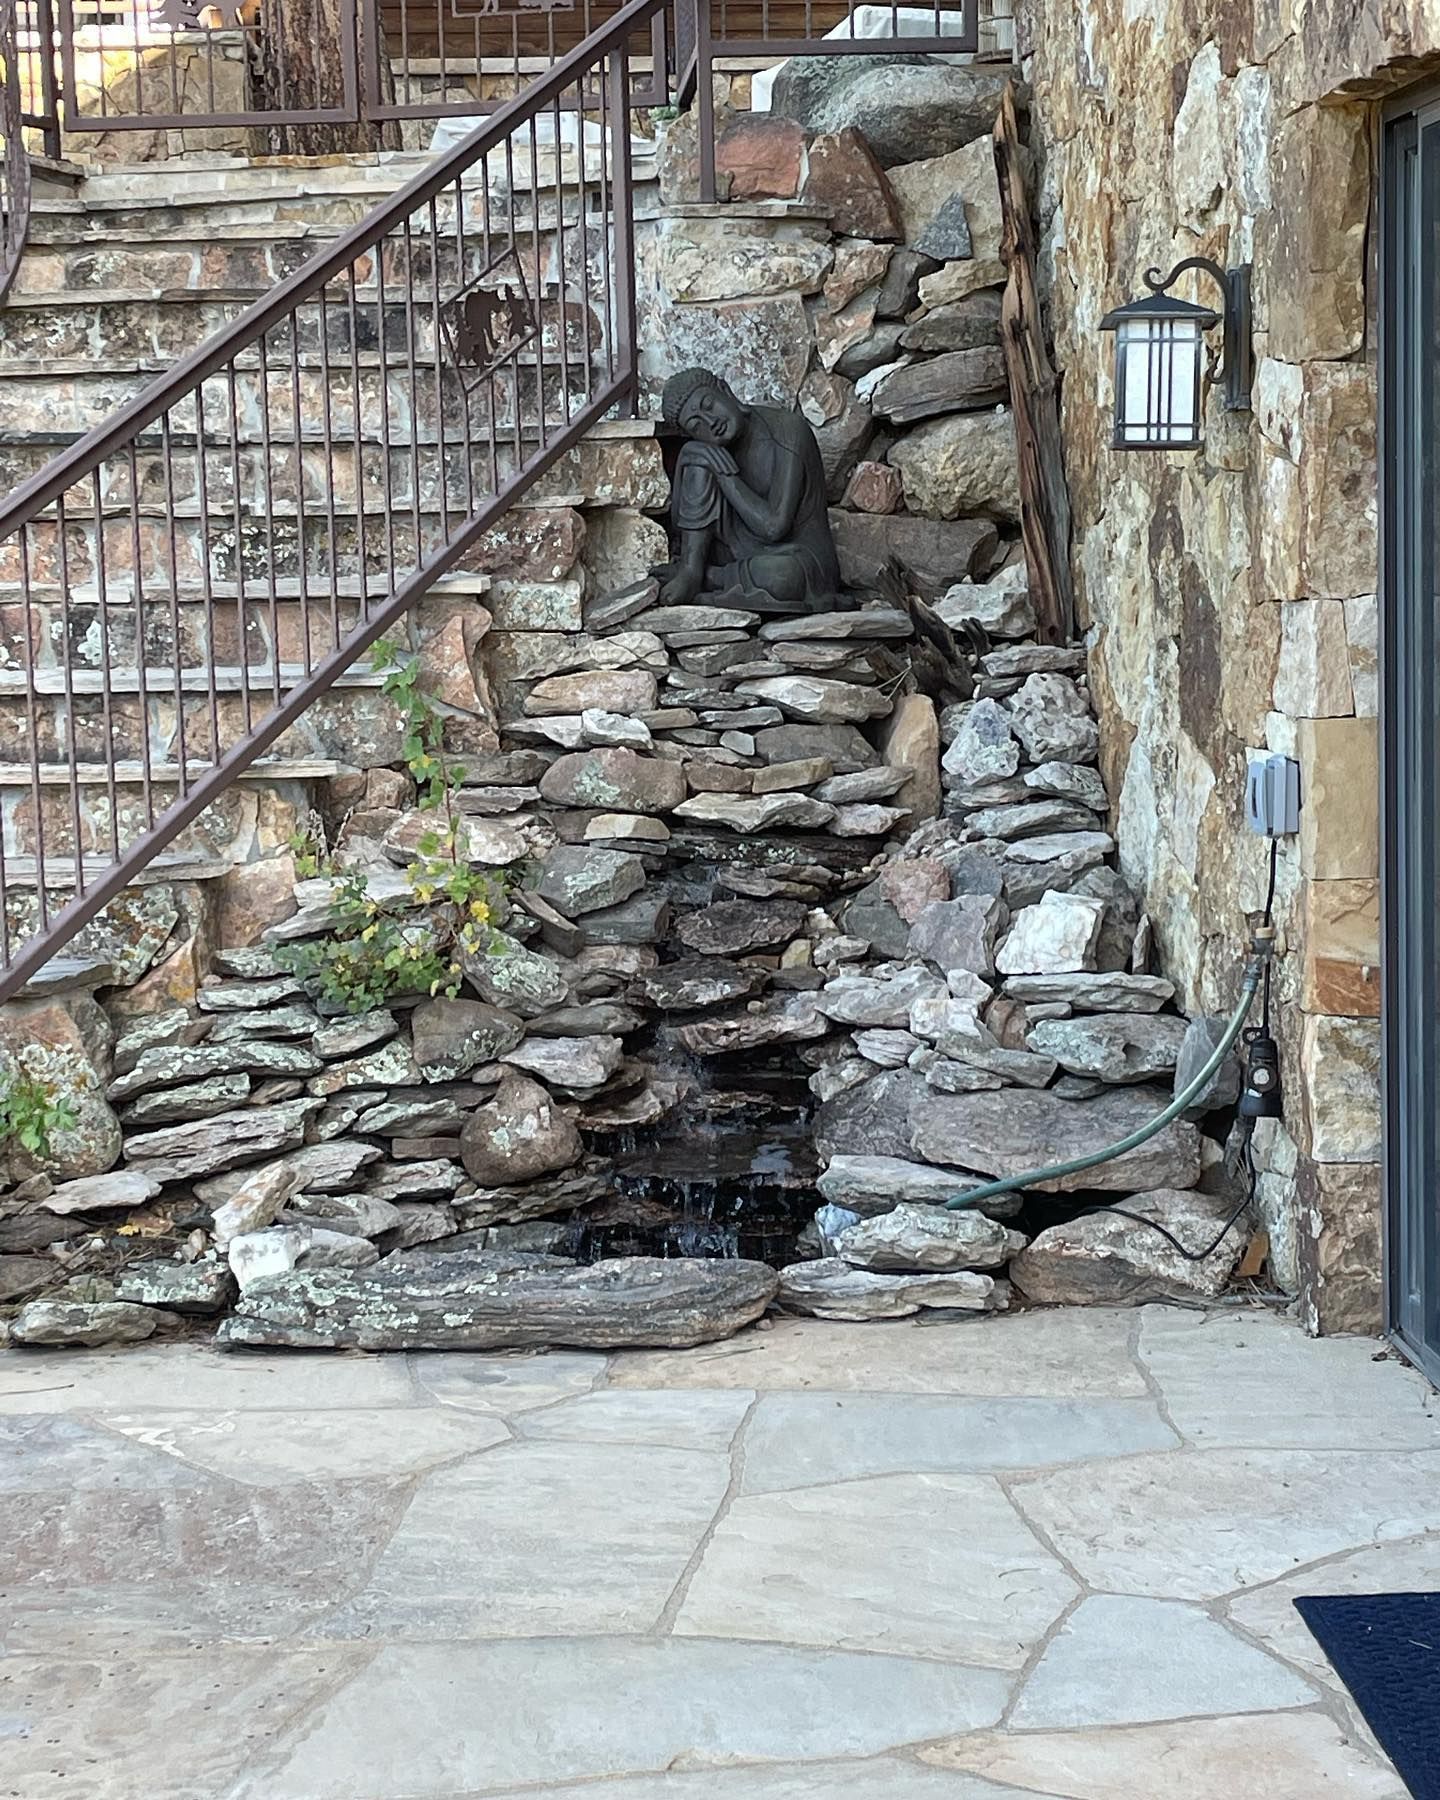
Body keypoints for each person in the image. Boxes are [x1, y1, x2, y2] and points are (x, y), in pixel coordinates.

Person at [650, 367, 842, 616]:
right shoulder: (706, 449)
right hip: (738, 552)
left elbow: (774, 528)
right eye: (696, 426)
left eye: (708, 405)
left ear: (724, 390)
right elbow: (679, 526)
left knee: (782, 576)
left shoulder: (788, 430)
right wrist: (688, 457)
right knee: (700, 461)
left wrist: (725, 475)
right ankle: (692, 571)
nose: (711, 423)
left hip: (798, 554)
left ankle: (711, 578)